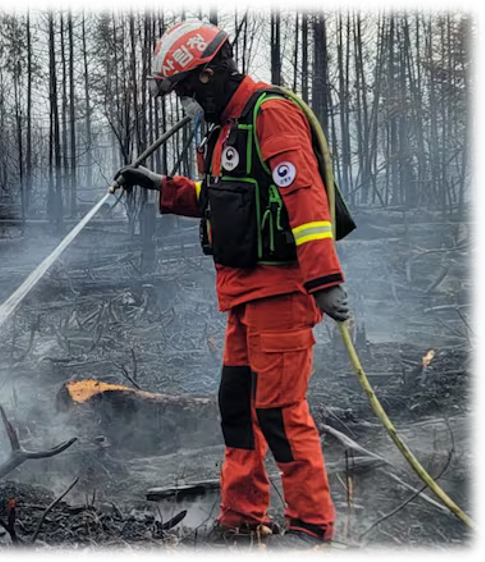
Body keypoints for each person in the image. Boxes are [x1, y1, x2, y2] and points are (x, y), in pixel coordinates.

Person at [113, 20, 353, 553]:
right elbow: (227, 200)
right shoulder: (225, 127)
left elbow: (306, 202)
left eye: (189, 89)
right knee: (236, 406)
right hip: (243, 296)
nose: (187, 100)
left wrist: (325, 279)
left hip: (281, 293)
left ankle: (312, 524)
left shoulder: (271, 114)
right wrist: (162, 187)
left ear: (211, 73)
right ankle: (243, 513)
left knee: (280, 411)